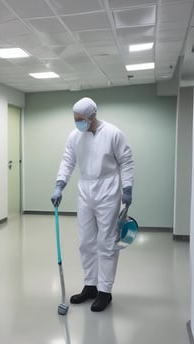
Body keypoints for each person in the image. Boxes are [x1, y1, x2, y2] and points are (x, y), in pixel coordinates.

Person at [51, 97, 134, 312]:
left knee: (106, 242)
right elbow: (68, 160)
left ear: (92, 116)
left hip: (108, 189)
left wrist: (127, 188)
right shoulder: (75, 136)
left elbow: (126, 160)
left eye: (81, 119)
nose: (77, 122)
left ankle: (105, 291)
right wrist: (60, 185)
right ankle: (90, 286)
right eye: (75, 119)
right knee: (86, 241)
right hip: (85, 190)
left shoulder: (113, 133)